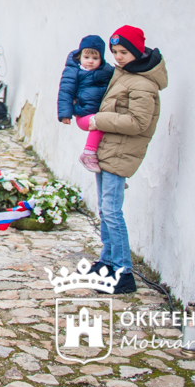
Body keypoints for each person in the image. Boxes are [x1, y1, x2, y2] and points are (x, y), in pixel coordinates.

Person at [72, 25, 167, 296]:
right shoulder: (124, 74)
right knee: (105, 210)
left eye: (124, 51)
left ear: (137, 51)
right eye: (115, 52)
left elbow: (138, 123)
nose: (118, 57)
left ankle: (123, 273)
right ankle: (107, 263)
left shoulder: (143, 84)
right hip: (108, 150)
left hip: (121, 154)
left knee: (112, 212)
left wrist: (97, 120)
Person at [56, 34, 113, 172]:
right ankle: (88, 154)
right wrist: (65, 114)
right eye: (86, 57)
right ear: (79, 56)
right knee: (99, 122)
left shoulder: (107, 71)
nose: (90, 61)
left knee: (106, 126)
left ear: (101, 59)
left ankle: (108, 166)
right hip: (83, 115)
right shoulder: (73, 71)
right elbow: (65, 91)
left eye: (95, 58)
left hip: (100, 113)